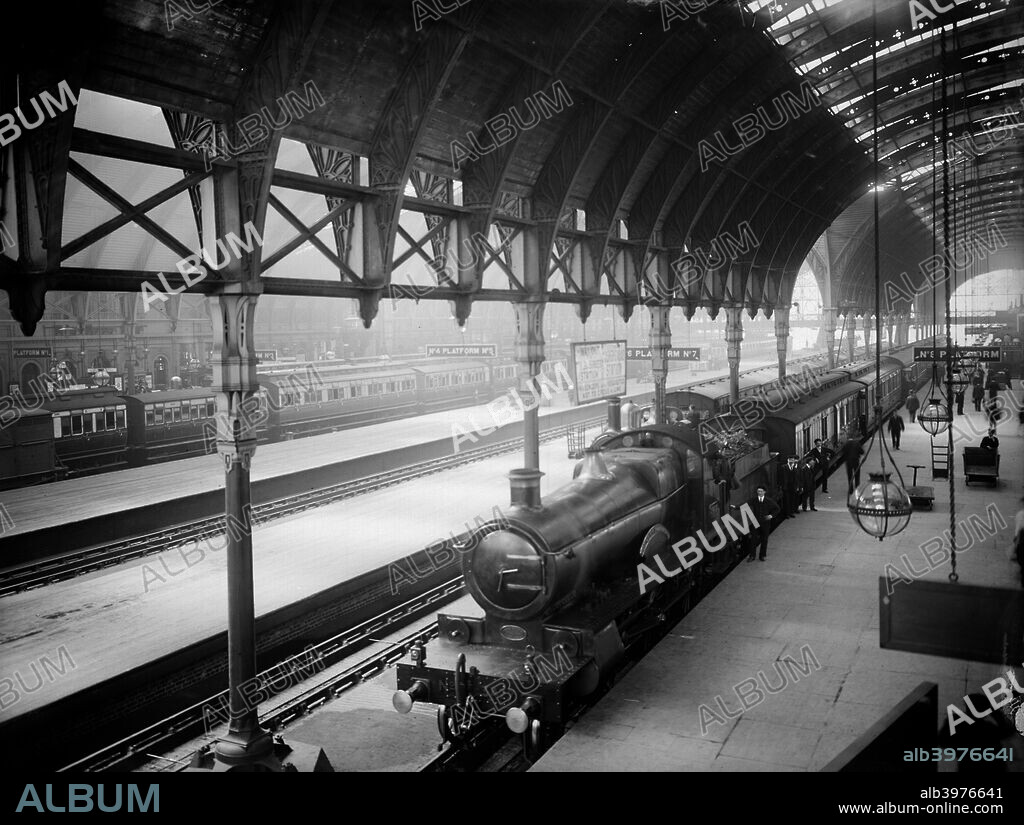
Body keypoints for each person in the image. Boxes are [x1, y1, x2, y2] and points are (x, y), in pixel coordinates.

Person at [745, 485, 781, 562]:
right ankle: (752, 556)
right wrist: (736, 507)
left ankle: (762, 555)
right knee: (753, 540)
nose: (759, 493)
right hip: (756, 522)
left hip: (765, 523)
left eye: (761, 491)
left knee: (764, 540)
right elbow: (745, 504)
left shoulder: (769, 501)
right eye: (758, 491)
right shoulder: (754, 500)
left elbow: (777, 509)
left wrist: (771, 516)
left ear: (764, 492)